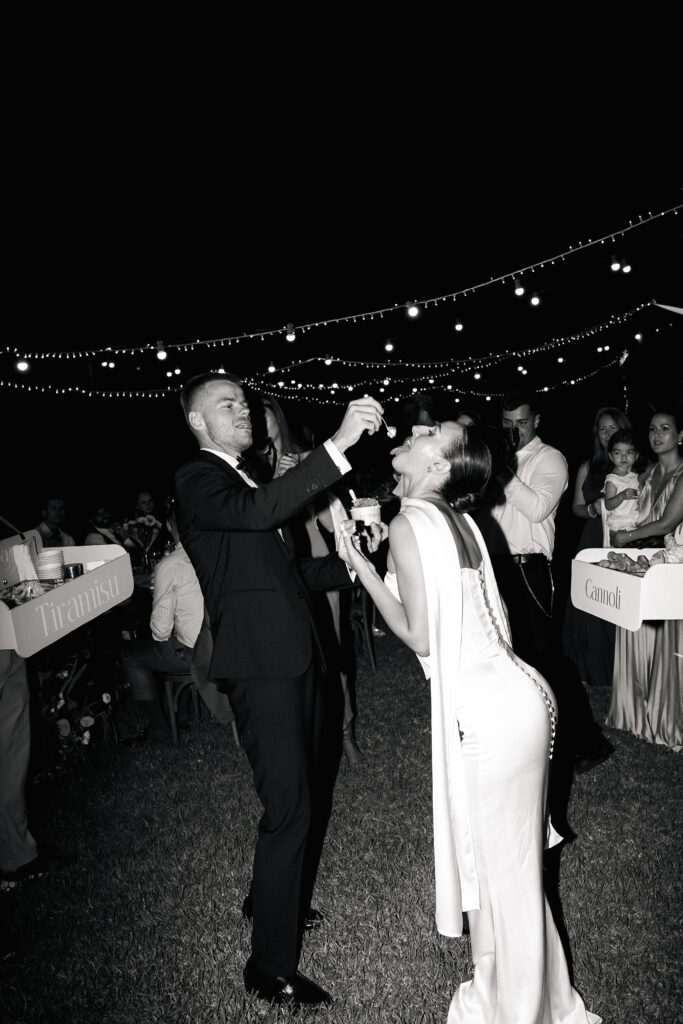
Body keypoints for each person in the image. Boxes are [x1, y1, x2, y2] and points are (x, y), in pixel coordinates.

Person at [336, 420, 601, 1023]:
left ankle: (521, 1010)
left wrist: (361, 563)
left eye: (430, 433)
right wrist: (382, 546)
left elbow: (419, 634)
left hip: (488, 712)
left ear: (438, 467)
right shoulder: (462, 522)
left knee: (505, 875)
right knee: (505, 867)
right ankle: (519, 990)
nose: (414, 430)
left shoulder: (412, 522)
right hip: (521, 693)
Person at [174, 372, 383, 1010]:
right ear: (198, 424)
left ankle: (270, 899)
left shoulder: (248, 482)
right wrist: (341, 442)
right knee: (290, 808)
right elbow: (262, 514)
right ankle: (269, 967)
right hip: (262, 667)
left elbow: (290, 572)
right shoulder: (197, 479)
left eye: (244, 402)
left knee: (303, 793)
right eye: (226, 405)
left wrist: (353, 559)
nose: (242, 411)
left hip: (297, 659)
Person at [476, 391, 614, 782]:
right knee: (510, 657)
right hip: (497, 565)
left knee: (546, 659)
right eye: (506, 424)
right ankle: (533, 738)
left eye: (520, 422)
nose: (513, 430)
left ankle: (587, 742)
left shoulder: (549, 458)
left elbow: (537, 508)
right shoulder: (496, 461)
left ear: (536, 420)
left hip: (530, 569)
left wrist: (502, 471)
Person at [252, 393, 364, 766]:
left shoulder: (303, 459)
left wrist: (350, 543)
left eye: (261, 415)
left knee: (330, 652)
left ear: (276, 419)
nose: (253, 422)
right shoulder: (248, 470)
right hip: (272, 578)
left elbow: (334, 515)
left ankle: (345, 730)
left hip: (314, 567)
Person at [120, 505, 236, 745]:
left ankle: (159, 730)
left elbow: (160, 633)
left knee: (132, 654)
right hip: (232, 642)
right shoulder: (221, 551)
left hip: (202, 652)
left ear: (171, 527)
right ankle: (182, 715)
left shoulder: (170, 565)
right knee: (183, 634)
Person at [606, 408, 683, 749]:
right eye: (652, 429)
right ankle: (633, 714)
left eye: (665, 429)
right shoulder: (647, 474)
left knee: (665, 639)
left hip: (671, 566)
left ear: (680, 436)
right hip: (643, 561)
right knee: (635, 630)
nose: (657, 435)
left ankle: (665, 719)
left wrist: (625, 538)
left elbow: (667, 524)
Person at [562, 406, 632, 689]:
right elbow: (576, 507)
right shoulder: (587, 466)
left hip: (624, 540)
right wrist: (592, 509)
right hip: (592, 540)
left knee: (620, 600)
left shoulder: (636, 466)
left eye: (612, 428)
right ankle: (588, 672)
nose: (606, 434)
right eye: (602, 429)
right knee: (589, 602)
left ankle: (623, 672)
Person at [602, 430, 641, 545]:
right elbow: (608, 505)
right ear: (611, 456)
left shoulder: (636, 476)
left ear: (636, 455)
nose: (624, 457)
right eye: (618, 453)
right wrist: (621, 496)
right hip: (619, 525)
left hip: (635, 523)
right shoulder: (612, 479)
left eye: (629, 452)